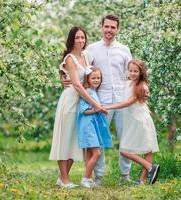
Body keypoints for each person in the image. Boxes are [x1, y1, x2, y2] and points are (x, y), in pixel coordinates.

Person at [49, 26, 106, 188]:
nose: (81, 41)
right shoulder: (69, 58)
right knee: (65, 139)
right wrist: (95, 104)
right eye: (77, 38)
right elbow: (77, 84)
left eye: (83, 37)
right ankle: (65, 179)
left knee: (76, 139)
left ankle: (62, 177)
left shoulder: (87, 56)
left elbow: (91, 75)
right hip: (70, 101)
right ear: (71, 40)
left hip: (83, 102)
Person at [86, 14, 134, 186]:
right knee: (99, 138)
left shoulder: (124, 49)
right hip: (101, 100)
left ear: (118, 29)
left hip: (122, 98)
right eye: (107, 26)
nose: (109, 30)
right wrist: (65, 77)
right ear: (102, 27)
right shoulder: (92, 49)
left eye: (113, 27)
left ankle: (125, 176)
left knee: (125, 137)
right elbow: (83, 70)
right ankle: (98, 177)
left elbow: (133, 72)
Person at [105, 59, 160, 185]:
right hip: (132, 121)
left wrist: (109, 106)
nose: (133, 73)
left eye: (136, 71)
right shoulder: (129, 83)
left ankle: (144, 177)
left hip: (140, 120)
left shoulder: (142, 86)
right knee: (127, 149)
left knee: (145, 149)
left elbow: (128, 102)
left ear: (141, 72)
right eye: (130, 70)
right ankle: (149, 169)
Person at [77, 67, 113, 188]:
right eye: (93, 78)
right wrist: (98, 109)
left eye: (98, 78)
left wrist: (100, 107)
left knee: (89, 154)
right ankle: (86, 178)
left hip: (93, 126)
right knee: (97, 153)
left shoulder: (93, 91)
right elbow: (83, 111)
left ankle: (89, 179)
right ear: (88, 79)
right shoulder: (87, 92)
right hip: (88, 126)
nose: (96, 80)